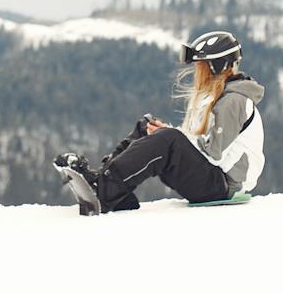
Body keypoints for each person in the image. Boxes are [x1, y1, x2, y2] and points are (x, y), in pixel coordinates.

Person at [52, 30, 265, 213]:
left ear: (216, 66)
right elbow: (202, 145)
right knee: (147, 127)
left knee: (167, 139)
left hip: (223, 186)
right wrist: (166, 132)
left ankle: (106, 191)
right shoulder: (224, 97)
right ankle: (107, 184)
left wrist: (171, 135)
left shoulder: (233, 102)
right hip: (213, 179)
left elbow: (213, 153)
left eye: (201, 67)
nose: (197, 73)